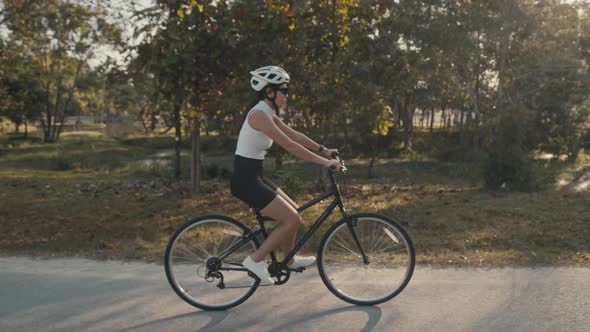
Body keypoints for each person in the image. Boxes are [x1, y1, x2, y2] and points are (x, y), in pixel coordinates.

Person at [230, 65, 341, 284]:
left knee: (294, 211)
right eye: (285, 91)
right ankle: (255, 260)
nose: (287, 95)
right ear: (270, 92)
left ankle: (288, 260)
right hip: (245, 180)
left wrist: (322, 149)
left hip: (255, 175)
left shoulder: (267, 112)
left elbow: (295, 135)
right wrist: (325, 163)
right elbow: (290, 146)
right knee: (292, 219)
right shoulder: (259, 115)